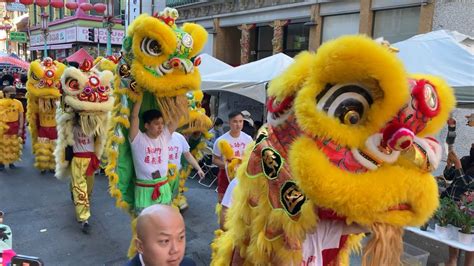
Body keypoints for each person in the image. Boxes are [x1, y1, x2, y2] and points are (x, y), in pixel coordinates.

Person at [129, 95, 178, 214]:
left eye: (162, 123)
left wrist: (176, 97)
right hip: (144, 190)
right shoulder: (137, 139)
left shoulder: (164, 137)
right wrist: (140, 94)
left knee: (164, 225)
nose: (161, 127)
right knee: (146, 228)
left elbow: (176, 118)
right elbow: (134, 117)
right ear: (146, 125)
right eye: (156, 123)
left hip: (164, 188)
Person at [127, 204, 196, 266]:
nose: (175, 249)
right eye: (165, 241)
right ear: (140, 246)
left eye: (181, 237)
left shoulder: (188, 263)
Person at [212, 111, 253, 203]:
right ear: (229, 122)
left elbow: (251, 157)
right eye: (235, 121)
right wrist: (228, 166)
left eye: (240, 121)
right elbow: (215, 160)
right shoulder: (221, 140)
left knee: (240, 203)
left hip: (243, 175)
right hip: (225, 175)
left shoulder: (248, 139)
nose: (238, 124)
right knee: (223, 203)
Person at [168, 131, 205, 210]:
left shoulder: (179, 137)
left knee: (174, 197)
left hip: (175, 175)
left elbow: (188, 155)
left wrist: (199, 168)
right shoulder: (158, 137)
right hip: (162, 178)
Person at [0, 86, 24, 171]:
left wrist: (21, 128)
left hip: (14, 125)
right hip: (3, 126)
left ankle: (11, 162)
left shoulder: (18, 103)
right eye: (12, 92)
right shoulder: (1, 102)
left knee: (13, 144)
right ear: (6, 93)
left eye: (14, 92)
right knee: (3, 145)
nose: (14, 93)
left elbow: (21, 116)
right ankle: (1, 163)